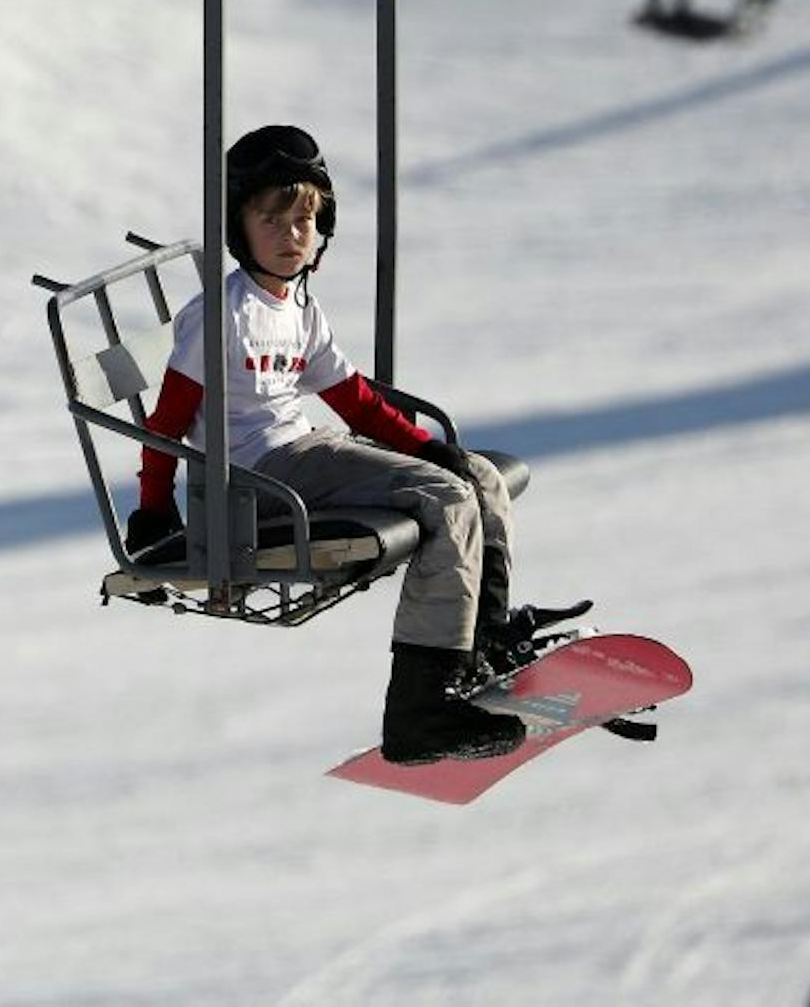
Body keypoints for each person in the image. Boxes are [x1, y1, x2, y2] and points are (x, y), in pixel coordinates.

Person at [127, 125, 584, 766]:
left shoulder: (299, 308)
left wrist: (425, 445)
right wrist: (153, 509)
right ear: (238, 226)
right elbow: (167, 422)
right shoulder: (220, 317)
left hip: (305, 451)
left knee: (474, 473)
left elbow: (356, 401)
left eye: (306, 223)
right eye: (273, 221)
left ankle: (483, 641)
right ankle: (420, 709)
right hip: (260, 477)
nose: (292, 237)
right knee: (446, 499)